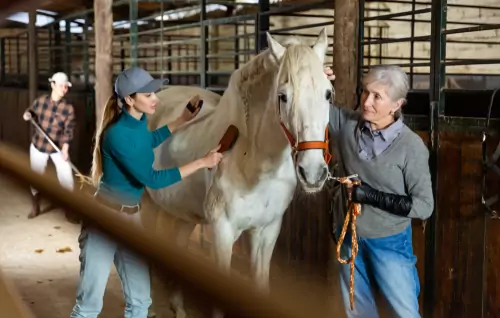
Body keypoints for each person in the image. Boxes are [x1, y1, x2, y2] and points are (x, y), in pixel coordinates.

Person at [70, 66, 223, 318]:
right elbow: (152, 178)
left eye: (154, 93)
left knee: (140, 302)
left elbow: (147, 141)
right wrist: (201, 162)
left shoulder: (138, 123)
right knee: (88, 307)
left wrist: (181, 120)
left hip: (131, 219)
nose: (156, 99)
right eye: (149, 95)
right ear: (130, 99)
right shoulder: (116, 134)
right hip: (104, 222)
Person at [325, 65, 433, 318]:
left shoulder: (411, 147)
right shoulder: (347, 125)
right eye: (365, 92)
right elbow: (308, 104)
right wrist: (314, 76)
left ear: (396, 105)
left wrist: (371, 196)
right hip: (349, 237)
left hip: (390, 242)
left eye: (377, 97)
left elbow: (424, 206)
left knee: (404, 313)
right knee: (357, 313)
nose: (367, 102)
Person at [22, 71, 78, 223]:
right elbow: (30, 112)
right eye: (61, 86)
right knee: (36, 177)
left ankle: (69, 211)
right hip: (39, 145)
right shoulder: (40, 102)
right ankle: (35, 206)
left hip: (58, 148)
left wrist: (65, 148)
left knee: (67, 179)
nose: (64, 89)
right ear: (52, 85)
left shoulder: (68, 108)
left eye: (66, 87)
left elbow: (68, 129)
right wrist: (27, 114)